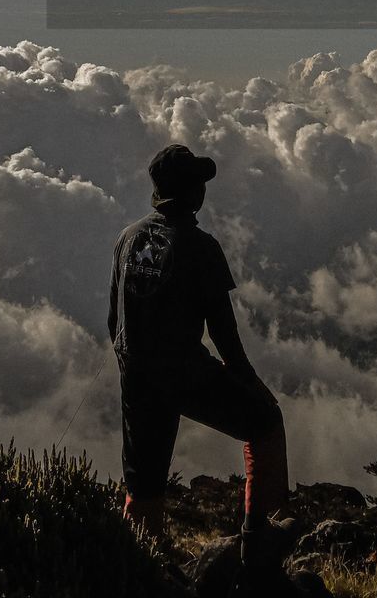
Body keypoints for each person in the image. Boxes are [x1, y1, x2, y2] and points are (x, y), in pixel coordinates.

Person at [108, 143, 296, 578]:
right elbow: (224, 334)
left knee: (144, 483)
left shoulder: (127, 238)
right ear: (190, 192)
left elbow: (113, 318)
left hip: (136, 375)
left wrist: (130, 364)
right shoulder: (199, 246)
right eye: (199, 183)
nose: (203, 191)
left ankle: (139, 570)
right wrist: (250, 383)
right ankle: (261, 537)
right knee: (265, 422)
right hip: (185, 373)